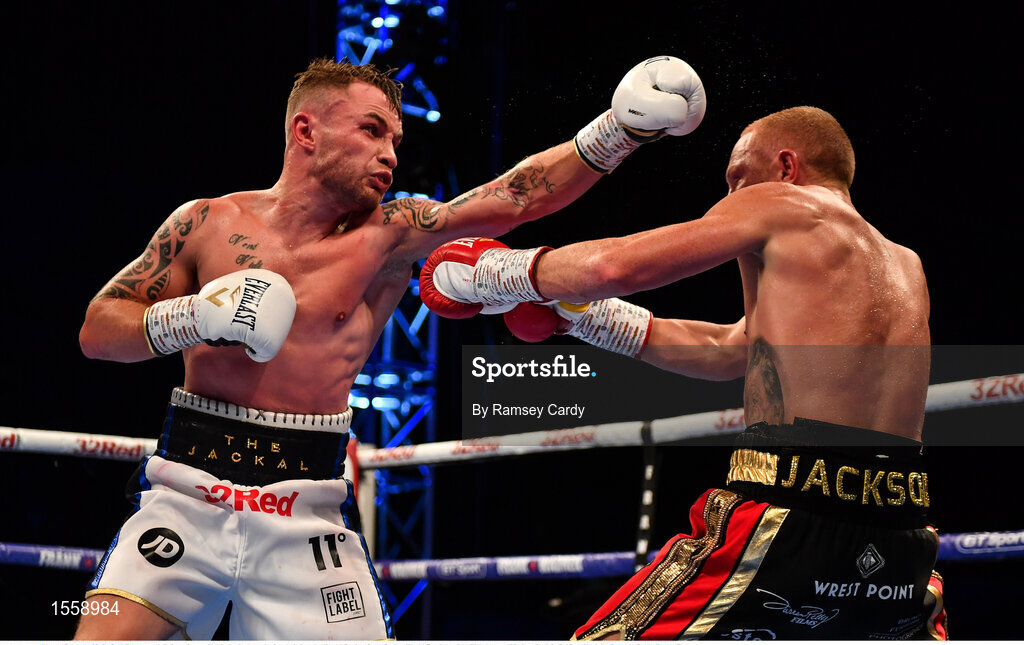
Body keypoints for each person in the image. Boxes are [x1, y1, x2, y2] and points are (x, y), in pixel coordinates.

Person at [74, 56, 705, 639]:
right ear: (306, 131)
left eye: (395, 141)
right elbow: (98, 331)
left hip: (307, 514)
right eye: (373, 131)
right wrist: (191, 316)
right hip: (183, 497)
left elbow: (516, 197)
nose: (390, 155)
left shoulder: (390, 235)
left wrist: (617, 130)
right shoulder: (205, 222)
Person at [420, 106, 948, 639]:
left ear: (786, 166)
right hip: (903, 533)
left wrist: (497, 274)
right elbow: (731, 350)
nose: (728, 196)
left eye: (738, 177)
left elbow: (611, 268)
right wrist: (586, 318)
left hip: (787, 508)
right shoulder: (905, 263)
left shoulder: (784, 204)